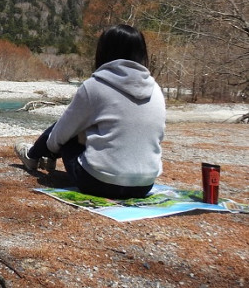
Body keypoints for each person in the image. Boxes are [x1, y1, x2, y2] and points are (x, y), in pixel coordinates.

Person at [16, 24, 166, 199]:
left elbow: (61, 134)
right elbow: (157, 136)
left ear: (104, 51)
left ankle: (32, 155)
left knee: (69, 129)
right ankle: (36, 155)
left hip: (97, 183)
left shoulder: (95, 86)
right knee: (86, 128)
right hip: (144, 185)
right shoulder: (155, 89)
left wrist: (50, 149)